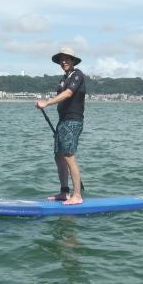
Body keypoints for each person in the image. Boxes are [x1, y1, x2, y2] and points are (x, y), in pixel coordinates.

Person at [35, 47, 86, 205]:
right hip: (62, 122)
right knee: (59, 156)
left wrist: (47, 102)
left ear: (73, 60)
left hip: (73, 121)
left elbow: (68, 93)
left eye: (67, 59)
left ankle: (77, 195)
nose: (63, 62)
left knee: (69, 156)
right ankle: (64, 192)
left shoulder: (77, 75)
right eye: (61, 60)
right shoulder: (63, 79)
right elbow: (61, 96)